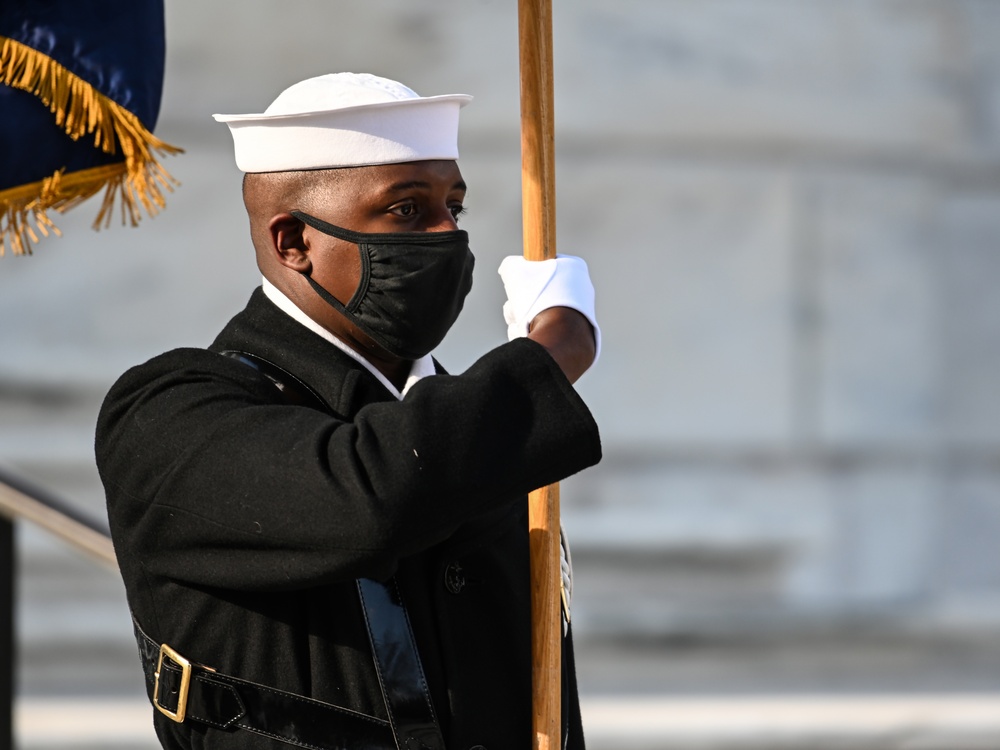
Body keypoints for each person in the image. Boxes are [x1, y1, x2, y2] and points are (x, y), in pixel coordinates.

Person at [95, 72, 601, 750]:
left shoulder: (484, 424)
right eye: (407, 210)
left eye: (455, 204)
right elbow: (374, 497)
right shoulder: (168, 414)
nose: (448, 234)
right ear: (293, 242)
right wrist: (551, 354)